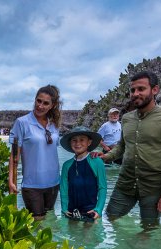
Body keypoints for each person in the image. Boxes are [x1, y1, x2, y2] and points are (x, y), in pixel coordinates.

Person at [99, 71, 161, 226]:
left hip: (153, 187)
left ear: (155, 90)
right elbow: (122, 146)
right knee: (108, 219)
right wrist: (106, 157)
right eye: (132, 90)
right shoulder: (126, 118)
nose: (135, 94)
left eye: (141, 89)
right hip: (125, 183)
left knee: (149, 229)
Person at [8, 85, 62, 220]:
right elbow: (14, 155)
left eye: (45, 103)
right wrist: (10, 180)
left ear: (52, 105)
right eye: (39, 101)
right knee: (38, 224)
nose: (40, 106)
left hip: (54, 182)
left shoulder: (54, 124)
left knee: (50, 222)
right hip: (32, 185)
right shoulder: (22, 122)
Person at [59, 126, 107, 221]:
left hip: (91, 212)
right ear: (70, 143)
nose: (78, 143)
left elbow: (102, 187)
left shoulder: (97, 162)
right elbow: (63, 189)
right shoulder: (66, 165)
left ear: (89, 142)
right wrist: (64, 208)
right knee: (70, 235)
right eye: (74, 140)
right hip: (71, 211)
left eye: (82, 140)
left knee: (90, 235)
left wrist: (98, 209)